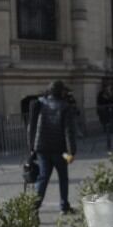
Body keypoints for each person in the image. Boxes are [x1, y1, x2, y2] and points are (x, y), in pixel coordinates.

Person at [27, 80, 77, 214]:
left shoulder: (41, 103)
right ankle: (64, 206)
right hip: (59, 149)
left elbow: (31, 127)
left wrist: (32, 148)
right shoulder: (65, 106)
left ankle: (33, 207)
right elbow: (68, 131)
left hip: (41, 147)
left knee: (43, 178)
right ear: (61, 91)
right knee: (63, 178)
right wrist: (71, 151)